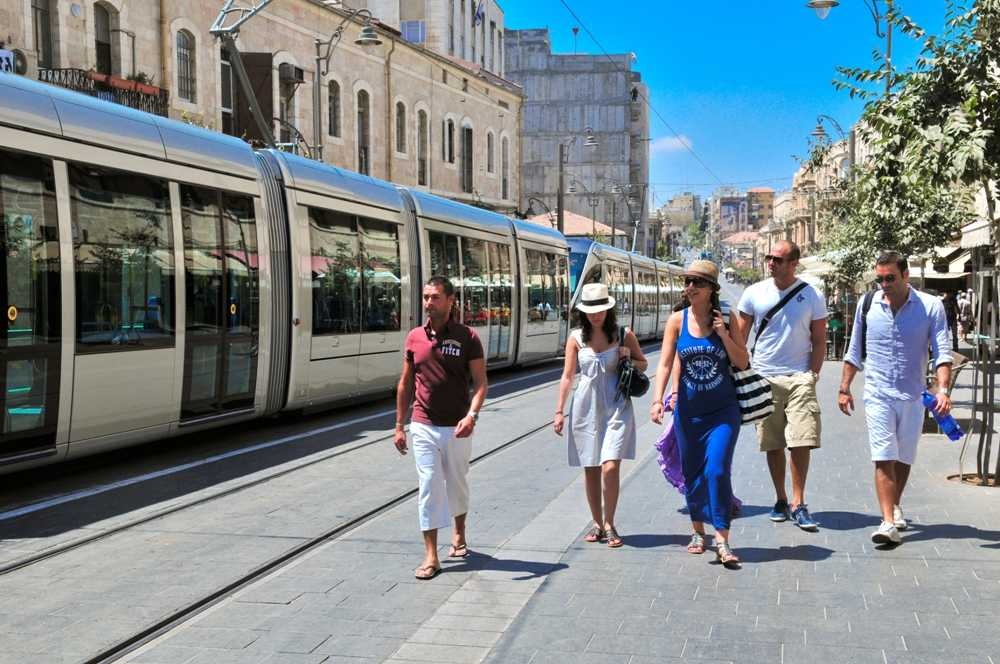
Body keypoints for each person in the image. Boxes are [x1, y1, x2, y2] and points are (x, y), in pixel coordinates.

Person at [838, 251, 952, 545]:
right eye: (880, 279)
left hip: (913, 395)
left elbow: (942, 352)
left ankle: (895, 505)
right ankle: (887, 521)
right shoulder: (868, 304)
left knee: (903, 457)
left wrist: (943, 389)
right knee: (883, 456)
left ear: (905, 275)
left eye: (890, 278)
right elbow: (854, 350)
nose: (884, 284)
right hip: (877, 394)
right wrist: (844, 387)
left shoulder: (930, 306)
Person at [650, 260, 749, 567]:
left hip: (723, 412)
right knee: (694, 474)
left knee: (717, 471)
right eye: (688, 281)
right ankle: (697, 531)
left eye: (697, 282)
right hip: (688, 414)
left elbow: (743, 362)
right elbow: (665, 363)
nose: (690, 287)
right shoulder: (677, 321)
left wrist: (724, 335)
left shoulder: (727, 318)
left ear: (711, 290)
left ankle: (722, 539)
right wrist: (657, 401)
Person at [395, 276, 488, 579]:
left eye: (435, 297)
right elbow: (406, 382)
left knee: (457, 483)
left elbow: (481, 383)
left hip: (458, 425)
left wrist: (471, 416)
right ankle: (431, 555)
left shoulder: (467, 337)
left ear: (451, 301)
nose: (428, 303)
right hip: (422, 424)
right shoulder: (414, 338)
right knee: (429, 485)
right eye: (425, 297)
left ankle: (459, 531)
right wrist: (399, 425)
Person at [735, 240, 827, 531]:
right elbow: (739, 337)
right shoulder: (753, 293)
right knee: (773, 443)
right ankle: (781, 498)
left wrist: (812, 374)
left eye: (777, 259)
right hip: (764, 377)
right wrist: (744, 372)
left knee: (801, 440)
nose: (770, 262)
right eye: (769, 257)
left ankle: (799, 502)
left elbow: (820, 339)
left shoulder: (812, 295)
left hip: (800, 377)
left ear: (793, 263)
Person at [554, 282, 647, 549]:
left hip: (617, 405)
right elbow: (568, 375)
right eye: (591, 310)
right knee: (591, 468)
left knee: (610, 465)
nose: (596, 315)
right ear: (583, 312)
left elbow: (643, 363)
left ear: (609, 309)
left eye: (601, 310)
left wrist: (630, 356)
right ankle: (597, 523)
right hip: (585, 407)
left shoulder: (622, 333)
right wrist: (559, 410)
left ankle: (610, 523)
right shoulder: (575, 338)